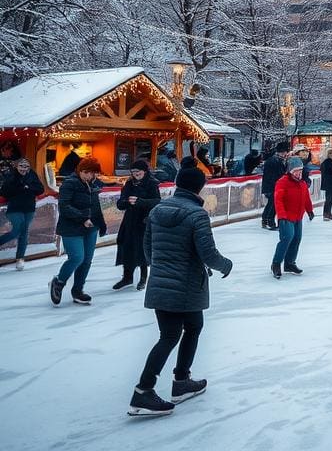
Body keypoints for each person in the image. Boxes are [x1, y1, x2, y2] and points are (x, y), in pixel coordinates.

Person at [127, 158, 233, 417]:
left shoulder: (158, 210)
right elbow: (208, 253)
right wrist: (225, 265)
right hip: (185, 284)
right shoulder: (197, 214)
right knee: (171, 335)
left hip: (162, 282)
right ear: (199, 189)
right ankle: (143, 391)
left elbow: (147, 247)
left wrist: (160, 268)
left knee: (192, 327)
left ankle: (181, 381)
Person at [49, 157, 106, 306]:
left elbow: (95, 205)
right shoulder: (69, 183)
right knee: (77, 257)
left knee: (87, 260)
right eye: (88, 173)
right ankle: (59, 282)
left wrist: (102, 223)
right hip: (71, 227)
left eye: (93, 173)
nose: (91, 176)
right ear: (81, 171)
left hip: (91, 227)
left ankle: (78, 290)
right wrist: (82, 218)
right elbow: (64, 206)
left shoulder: (93, 183)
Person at [113, 160, 162, 291]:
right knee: (127, 246)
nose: (135, 174)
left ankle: (143, 277)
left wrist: (141, 202)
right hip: (130, 220)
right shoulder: (129, 184)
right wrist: (127, 202)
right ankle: (127, 277)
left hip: (144, 220)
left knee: (142, 248)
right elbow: (120, 202)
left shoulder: (152, 183)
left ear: (144, 171)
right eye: (133, 172)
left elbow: (157, 201)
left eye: (138, 172)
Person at [270, 156, 315, 278]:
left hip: (298, 217)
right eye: (296, 171)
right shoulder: (282, 182)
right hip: (286, 217)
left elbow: (306, 198)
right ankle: (276, 264)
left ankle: (289, 263)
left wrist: (309, 210)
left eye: (300, 171)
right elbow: (278, 200)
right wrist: (282, 216)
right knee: (286, 238)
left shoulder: (302, 184)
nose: (299, 174)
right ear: (290, 171)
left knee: (296, 239)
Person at [0, 158, 44, 270]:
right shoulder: (11, 176)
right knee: (17, 230)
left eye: (26, 166)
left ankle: (20, 258)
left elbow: (40, 189)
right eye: (21, 166)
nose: (23, 169)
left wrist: (28, 187)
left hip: (29, 207)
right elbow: (4, 191)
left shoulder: (32, 175)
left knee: (24, 232)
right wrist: (19, 187)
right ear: (16, 166)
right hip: (15, 207)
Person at [260, 141, 290, 231]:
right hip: (272, 187)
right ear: (282, 152)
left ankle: (265, 220)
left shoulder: (277, 160)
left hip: (272, 186)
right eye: (285, 152)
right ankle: (269, 221)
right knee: (273, 204)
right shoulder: (274, 161)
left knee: (271, 204)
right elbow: (274, 176)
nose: (286, 154)